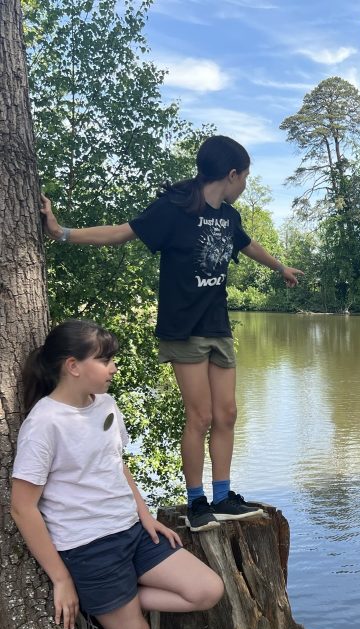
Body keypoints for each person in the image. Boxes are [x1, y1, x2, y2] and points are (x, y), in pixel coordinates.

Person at [39, 135, 303, 533]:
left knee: (227, 413)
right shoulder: (174, 210)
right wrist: (61, 232)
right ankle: (197, 504)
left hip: (217, 325)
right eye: (245, 177)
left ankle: (223, 496)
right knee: (200, 416)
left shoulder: (229, 219)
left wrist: (281, 267)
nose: (245, 185)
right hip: (184, 328)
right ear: (231, 175)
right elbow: (119, 232)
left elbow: (249, 247)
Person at [11, 320, 234, 629]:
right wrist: (60, 577)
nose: (113, 367)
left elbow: (116, 465)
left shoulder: (106, 403)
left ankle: (105, 607)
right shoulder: (44, 423)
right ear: (72, 366)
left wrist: (145, 514)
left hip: (131, 533)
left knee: (207, 589)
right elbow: (22, 506)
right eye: (105, 359)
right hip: (88, 548)